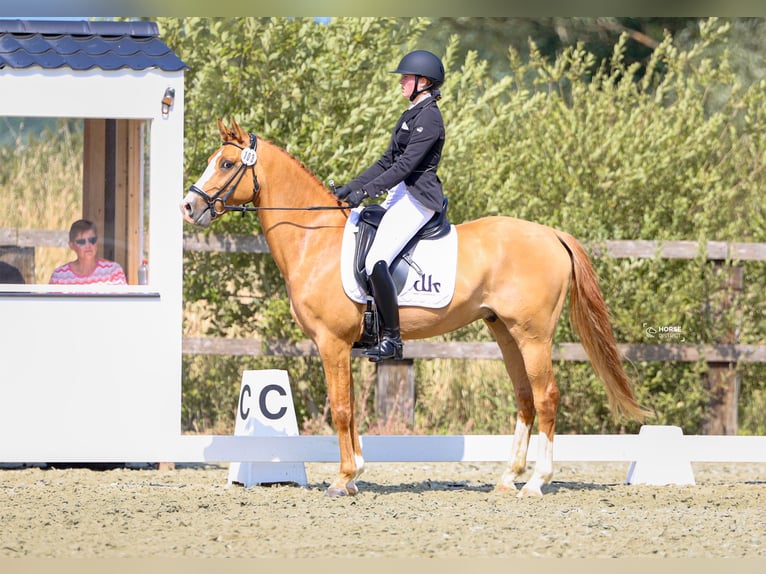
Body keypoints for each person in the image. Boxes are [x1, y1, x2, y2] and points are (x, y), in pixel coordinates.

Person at [333, 50, 446, 362]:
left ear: (423, 82)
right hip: (400, 192)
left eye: (406, 78)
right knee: (360, 235)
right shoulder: (411, 114)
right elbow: (386, 161)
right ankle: (370, 324)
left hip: (418, 196)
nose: (401, 82)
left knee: (376, 259)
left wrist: (367, 191)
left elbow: (407, 166)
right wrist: (351, 187)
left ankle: (392, 339)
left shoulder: (430, 118)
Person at [49, 219, 127, 285]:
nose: (88, 245)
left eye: (92, 240)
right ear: (72, 245)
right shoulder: (59, 276)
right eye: (82, 242)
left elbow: (122, 302)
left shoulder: (113, 271)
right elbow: (51, 303)